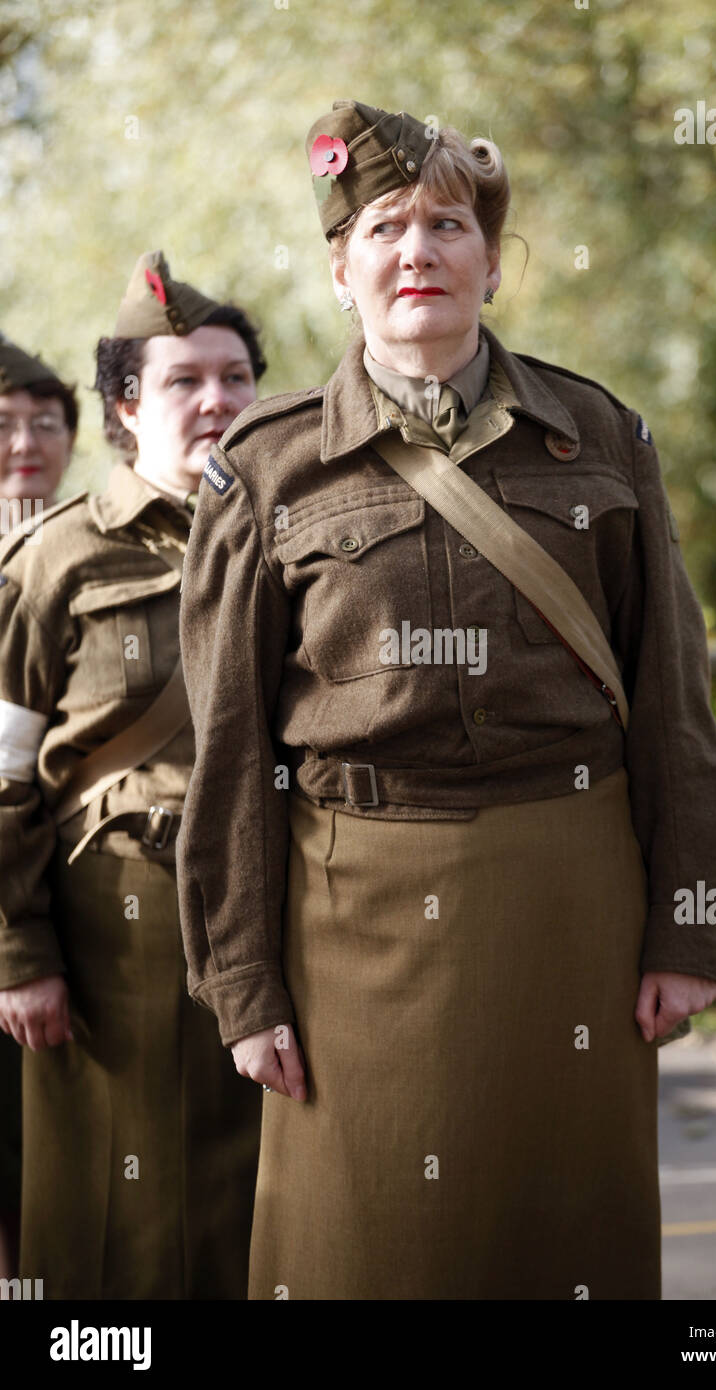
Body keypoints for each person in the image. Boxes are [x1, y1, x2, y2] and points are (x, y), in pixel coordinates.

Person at [175, 101, 716, 1301]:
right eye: (384, 228)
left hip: (568, 899)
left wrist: (686, 926)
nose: (417, 251)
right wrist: (242, 982)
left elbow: (673, 699)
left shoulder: (596, 436)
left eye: (446, 225)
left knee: (562, 1240)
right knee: (361, 1247)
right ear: (341, 269)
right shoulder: (266, 468)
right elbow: (226, 755)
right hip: (353, 920)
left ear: (490, 259)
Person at [0, 253, 267, 1299]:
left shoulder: (292, 537)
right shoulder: (55, 563)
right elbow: (4, 774)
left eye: (235, 376)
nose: (216, 400)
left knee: (262, 1202)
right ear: (122, 405)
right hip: (118, 930)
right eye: (183, 380)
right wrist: (19, 954)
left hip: (278, 913)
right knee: (122, 1220)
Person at [0, 335, 78, 1285]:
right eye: (4, 425)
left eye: (45, 422)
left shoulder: (90, 551)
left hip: (51, 895)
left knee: (41, 1155)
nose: (25, 441)